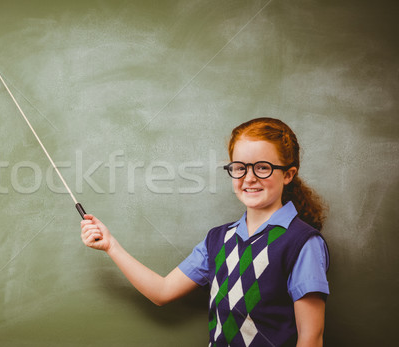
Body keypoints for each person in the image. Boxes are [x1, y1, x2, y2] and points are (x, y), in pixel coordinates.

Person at [80, 117, 329, 347]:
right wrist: (111, 245)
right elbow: (162, 291)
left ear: (288, 174)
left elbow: (311, 337)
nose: (249, 178)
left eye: (262, 168)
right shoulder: (218, 240)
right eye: (240, 167)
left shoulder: (302, 242)